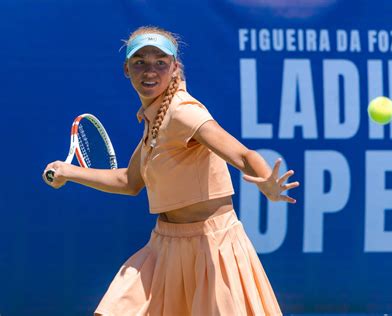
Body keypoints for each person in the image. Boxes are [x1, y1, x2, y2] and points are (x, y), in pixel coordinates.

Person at [43, 26, 299, 315]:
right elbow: (129, 181)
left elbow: (242, 154)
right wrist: (68, 172)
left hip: (212, 249)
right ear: (126, 69)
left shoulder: (183, 111)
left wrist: (266, 180)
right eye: (139, 62)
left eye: (160, 63)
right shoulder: (154, 119)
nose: (149, 71)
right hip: (164, 247)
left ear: (174, 68)